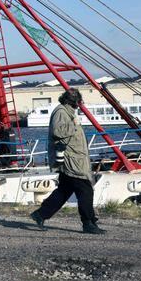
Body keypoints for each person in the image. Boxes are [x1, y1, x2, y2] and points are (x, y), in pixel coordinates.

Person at [30, 89, 104, 234]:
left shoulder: (66, 111)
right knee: (85, 190)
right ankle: (88, 223)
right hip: (71, 159)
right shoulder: (62, 112)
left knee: (64, 190)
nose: (79, 105)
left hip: (73, 158)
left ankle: (41, 214)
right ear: (74, 102)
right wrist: (74, 124)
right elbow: (58, 132)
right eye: (79, 102)